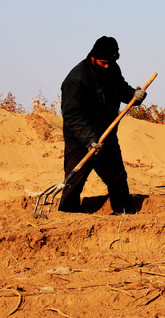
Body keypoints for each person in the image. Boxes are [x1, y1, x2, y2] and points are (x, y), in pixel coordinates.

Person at [58, 36, 147, 214]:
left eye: (110, 62)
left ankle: (123, 212)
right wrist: (89, 139)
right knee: (74, 181)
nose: (107, 66)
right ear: (93, 57)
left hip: (107, 134)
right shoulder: (77, 78)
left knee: (118, 178)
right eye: (103, 62)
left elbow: (121, 88)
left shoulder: (112, 68)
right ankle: (67, 216)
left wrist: (133, 96)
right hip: (80, 140)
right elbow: (71, 115)